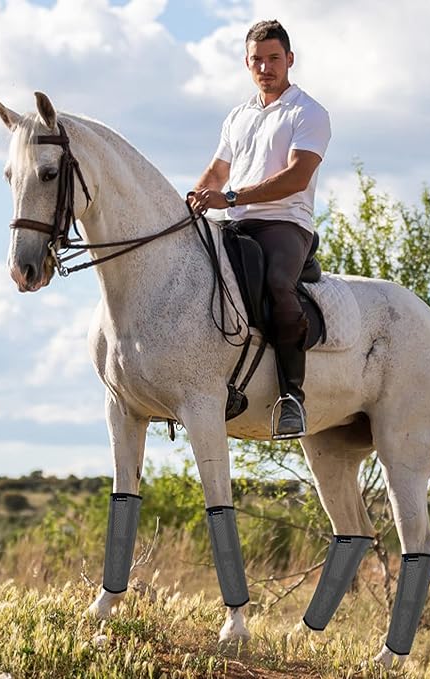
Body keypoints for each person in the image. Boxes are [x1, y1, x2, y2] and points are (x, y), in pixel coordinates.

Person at [189, 19, 331, 438]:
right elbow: (216, 172)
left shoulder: (309, 112)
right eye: (257, 61)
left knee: (276, 285)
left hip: (285, 223)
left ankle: (292, 398)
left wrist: (231, 198)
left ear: (289, 60)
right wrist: (192, 202)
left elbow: (296, 177)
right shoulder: (238, 115)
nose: (265, 68)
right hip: (236, 222)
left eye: (273, 59)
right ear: (246, 64)